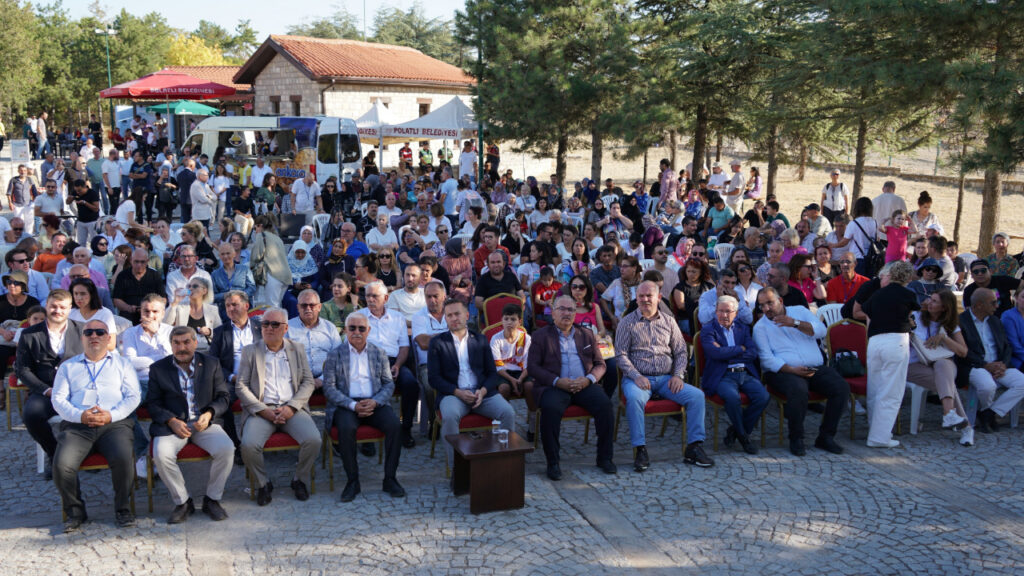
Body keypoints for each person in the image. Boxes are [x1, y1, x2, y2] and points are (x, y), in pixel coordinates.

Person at [51, 319, 141, 532]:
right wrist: (80, 416)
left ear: (109, 338)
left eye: (100, 332)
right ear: (81, 338)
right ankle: (75, 512)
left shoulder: (123, 364)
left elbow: (133, 396)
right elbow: (58, 400)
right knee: (61, 465)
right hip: (77, 426)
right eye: (88, 332)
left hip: (114, 424)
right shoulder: (68, 367)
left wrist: (111, 415)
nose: (94, 336)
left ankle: (122, 509)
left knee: (123, 458)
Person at [619, 281, 713, 472]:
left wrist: (678, 375)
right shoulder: (627, 322)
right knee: (635, 398)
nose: (645, 299)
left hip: (665, 379)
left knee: (697, 396)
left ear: (658, 298)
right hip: (637, 378)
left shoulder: (669, 322)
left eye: (649, 296)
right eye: (641, 296)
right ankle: (640, 449)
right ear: (636, 298)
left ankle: (694, 447)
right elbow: (620, 355)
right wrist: (636, 376)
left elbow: (680, 352)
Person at [235, 307, 322, 506]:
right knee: (248, 445)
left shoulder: (296, 348)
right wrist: (262, 410)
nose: (269, 328)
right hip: (261, 410)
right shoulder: (250, 351)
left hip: (292, 408)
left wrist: (291, 408)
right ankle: (263, 484)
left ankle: (299, 479)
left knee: (314, 440)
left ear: (285, 328)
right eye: (265, 324)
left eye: (275, 324)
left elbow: (308, 382)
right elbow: (241, 385)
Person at [146, 326, 233, 523]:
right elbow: (152, 403)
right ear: (171, 345)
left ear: (195, 342)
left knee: (227, 449)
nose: (181, 347)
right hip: (173, 426)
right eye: (176, 343)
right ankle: (183, 501)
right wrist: (171, 420)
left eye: (186, 342)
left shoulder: (211, 364)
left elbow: (224, 397)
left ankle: (212, 499)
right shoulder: (159, 369)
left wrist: (209, 414)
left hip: (204, 423)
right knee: (161, 455)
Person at [528, 294, 616, 481]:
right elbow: (533, 367)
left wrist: (589, 380)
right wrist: (556, 381)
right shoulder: (540, 336)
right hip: (555, 386)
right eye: (562, 309)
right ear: (553, 313)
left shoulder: (586, 334)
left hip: (583, 384)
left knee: (605, 406)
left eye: (570, 310)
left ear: (575, 314)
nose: (566, 313)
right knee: (550, 410)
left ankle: (605, 458)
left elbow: (601, 364)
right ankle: (553, 462)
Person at [753, 287, 847, 456]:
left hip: (814, 367)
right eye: (762, 305)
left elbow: (821, 330)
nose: (766, 308)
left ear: (780, 301)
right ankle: (796, 438)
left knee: (841, 387)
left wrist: (795, 323)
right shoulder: (760, 328)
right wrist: (792, 369)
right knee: (798, 390)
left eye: (769, 303)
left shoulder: (800, 311)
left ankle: (826, 437)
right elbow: (767, 360)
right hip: (783, 371)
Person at [323, 313, 405, 502]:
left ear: (368, 331)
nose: (357, 332)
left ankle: (390, 479)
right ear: (345, 330)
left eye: (361, 328)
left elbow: (388, 384)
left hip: (374, 402)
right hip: (346, 404)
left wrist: (375, 402)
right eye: (352, 328)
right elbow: (329, 388)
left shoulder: (379, 353)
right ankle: (353, 481)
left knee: (394, 426)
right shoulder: (335, 354)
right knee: (346, 428)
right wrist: (352, 405)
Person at [428, 298, 516, 465]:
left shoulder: (480, 340)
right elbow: (434, 378)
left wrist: (482, 392)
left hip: (482, 393)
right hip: (453, 394)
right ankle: (456, 468)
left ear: (467, 315)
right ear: (445, 319)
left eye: (457, 314)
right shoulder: (437, 343)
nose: (454, 318)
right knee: (450, 416)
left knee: (508, 412)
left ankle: (503, 462)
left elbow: (492, 373)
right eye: (449, 315)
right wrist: (457, 392)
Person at [15, 290, 83, 478]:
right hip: (45, 390)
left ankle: (88, 452)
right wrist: (46, 390)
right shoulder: (29, 334)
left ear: (70, 308)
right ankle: (54, 453)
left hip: (77, 390)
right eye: (53, 306)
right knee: (31, 414)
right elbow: (22, 370)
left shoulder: (84, 330)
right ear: (47, 306)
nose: (57, 310)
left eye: (62, 307)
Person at [700, 295, 769, 454]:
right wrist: (740, 349)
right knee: (732, 397)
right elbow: (714, 353)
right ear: (715, 311)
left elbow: (752, 353)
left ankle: (735, 431)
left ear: (736, 313)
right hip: (722, 375)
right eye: (720, 311)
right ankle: (744, 437)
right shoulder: (708, 330)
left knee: (763, 397)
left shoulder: (742, 328)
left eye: (728, 311)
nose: (724, 315)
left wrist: (727, 354)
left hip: (744, 372)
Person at [861, 261, 919, 448]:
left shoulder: (877, 294)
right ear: (908, 277)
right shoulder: (908, 294)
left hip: (875, 342)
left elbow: (866, 309)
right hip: (895, 341)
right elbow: (913, 312)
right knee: (891, 391)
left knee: (875, 388)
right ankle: (879, 436)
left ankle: (874, 428)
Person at [356, 281, 420, 447]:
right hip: (367, 362)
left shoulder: (397, 318)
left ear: (385, 298)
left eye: (374, 296)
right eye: (367, 295)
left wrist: (398, 365)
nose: (370, 299)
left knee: (411, 384)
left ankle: (405, 429)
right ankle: (367, 435)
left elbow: (404, 347)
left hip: (393, 362)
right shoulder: (359, 317)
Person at [908, 290, 973, 447]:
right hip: (914, 365)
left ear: (944, 308)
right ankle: (964, 425)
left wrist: (944, 339)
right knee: (948, 384)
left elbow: (963, 352)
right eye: (930, 298)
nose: (930, 302)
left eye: (935, 301)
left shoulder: (950, 325)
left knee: (944, 366)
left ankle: (950, 415)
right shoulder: (915, 317)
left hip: (940, 364)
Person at [958, 288, 1024, 434]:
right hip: (975, 366)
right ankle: (987, 414)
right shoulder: (961, 321)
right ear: (979, 305)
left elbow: (1007, 347)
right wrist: (985, 365)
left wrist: (1003, 365)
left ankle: (989, 413)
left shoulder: (994, 320)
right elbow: (963, 352)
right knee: (987, 386)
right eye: (993, 302)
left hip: (998, 364)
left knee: (1022, 383)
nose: (997, 306)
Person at [209, 290, 261, 451]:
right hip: (233, 380)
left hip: (260, 379)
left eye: (234, 304)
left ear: (246, 306)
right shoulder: (220, 332)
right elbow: (213, 362)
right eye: (227, 306)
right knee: (221, 405)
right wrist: (231, 377)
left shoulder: (261, 328)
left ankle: (260, 440)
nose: (231, 309)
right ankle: (235, 445)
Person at [287, 289, 343, 388]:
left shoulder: (330, 328)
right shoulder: (287, 327)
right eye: (304, 305)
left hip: (328, 380)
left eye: (312, 305)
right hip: (296, 382)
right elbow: (282, 358)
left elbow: (338, 358)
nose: (308, 308)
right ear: (298, 307)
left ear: (319, 307)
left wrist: (322, 379)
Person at [164, 276, 221, 351]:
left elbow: (220, 333)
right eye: (189, 286)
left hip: (206, 350)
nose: (191, 288)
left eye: (195, 286)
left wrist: (209, 332)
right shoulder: (180, 307)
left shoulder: (212, 309)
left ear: (204, 290)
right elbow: (165, 324)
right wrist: (175, 302)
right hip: (183, 349)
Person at [249, 215, 291, 307]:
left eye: (255, 227)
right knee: (278, 306)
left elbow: (256, 256)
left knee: (272, 308)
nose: (255, 230)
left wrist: (250, 267)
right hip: (286, 276)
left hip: (273, 275)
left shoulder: (261, 235)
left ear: (260, 225)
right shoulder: (277, 237)